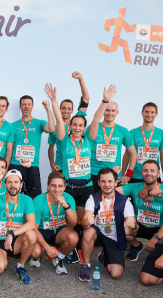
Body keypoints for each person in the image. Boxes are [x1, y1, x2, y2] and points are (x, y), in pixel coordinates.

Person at [48, 83, 116, 222]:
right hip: (69, 187)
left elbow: (96, 120)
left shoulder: (89, 140)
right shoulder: (64, 140)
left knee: (84, 221)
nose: (77, 128)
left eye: (80, 125)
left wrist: (105, 101)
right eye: (74, 125)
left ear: (84, 127)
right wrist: (54, 100)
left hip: (86, 187)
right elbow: (59, 121)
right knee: (70, 220)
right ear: (71, 126)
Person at [79, 168, 136, 282]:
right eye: (103, 181)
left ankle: (105, 252)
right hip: (99, 234)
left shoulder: (124, 201)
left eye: (110, 181)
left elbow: (134, 231)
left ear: (116, 182)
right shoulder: (93, 198)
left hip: (114, 238)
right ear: (98, 183)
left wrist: (133, 226)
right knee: (88, 231)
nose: (107, 185)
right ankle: (86, 266)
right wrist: (86, 221)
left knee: (116, 274)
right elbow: (85, 224)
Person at [0, 169, 37, 284]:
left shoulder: (26, 200)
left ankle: (20, 266)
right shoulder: (0, 198)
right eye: (9, 182)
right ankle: (2, 256)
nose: (13, 185)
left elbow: (31, 223)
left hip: (16, 240)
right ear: (5, 184)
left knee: (31, 234)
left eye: (16, 182)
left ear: (21, 185)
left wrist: (12, 234)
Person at [116, 160, 163, 262]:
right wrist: (112, 181)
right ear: (141, 173)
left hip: (159, 228)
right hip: (139, 225)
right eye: (145, 170)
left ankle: (158, 249)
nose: (148, 173)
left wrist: (155, 238)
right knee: (122, 229)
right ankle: (136, 246)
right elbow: (114, 192)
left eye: (152, 171)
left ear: (158, 174)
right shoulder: (135, 186)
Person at [29, 171, 78, 274]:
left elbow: (74, 222)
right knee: (35, 253)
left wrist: (66, 206)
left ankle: (59, 258)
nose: (57, 189)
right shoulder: (38, 200)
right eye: (53, 186)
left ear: (64, 187)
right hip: (42, 231)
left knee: (73, 237)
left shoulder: (69, 198)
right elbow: (34, 228)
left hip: (59, 231)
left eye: (60, 186)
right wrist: (47, 248)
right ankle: (41, 254)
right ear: (48, 186)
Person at [87, 90, 136, 190]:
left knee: (111, 204)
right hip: (93, 174)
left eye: (113, 111)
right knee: (93, 204)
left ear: (117, 112)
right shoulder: (93, 127)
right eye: (107, 110)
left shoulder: (123, 131)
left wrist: (128, 175)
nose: (110, 113)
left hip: (113, 175)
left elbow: (133, 154)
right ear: (103, 111)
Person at [8, 94, 55, 198]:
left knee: (35, 197)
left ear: (32, 106)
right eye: (24, 104)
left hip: (32, 165)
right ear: (20, 106)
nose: (26, 107)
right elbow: (9, 148)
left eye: (29, 104)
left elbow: (51, 129)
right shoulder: (13, 125)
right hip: (15, 164)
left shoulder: (39, 123)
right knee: (13, 196)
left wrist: (48, 109)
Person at [48, 71, 90, 173]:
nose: (66, 111)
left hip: (77, 165)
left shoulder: (77, 122)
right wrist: (52, 164)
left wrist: (81, 79)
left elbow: (86, 99)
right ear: (59, 109)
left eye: (69, 109)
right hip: (61, 166)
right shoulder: (54, 128)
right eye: (63, 108)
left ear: (72, 110)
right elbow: (50, 148)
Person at [122, 102, 163, 186]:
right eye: (146, 112)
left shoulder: (161, 133)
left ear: (156, 114)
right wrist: (123, 174)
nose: (149, 114)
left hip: (153, 177)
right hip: (135, 176)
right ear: (142, 113)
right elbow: (127, 155)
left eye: (152, 112)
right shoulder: (133, 132)